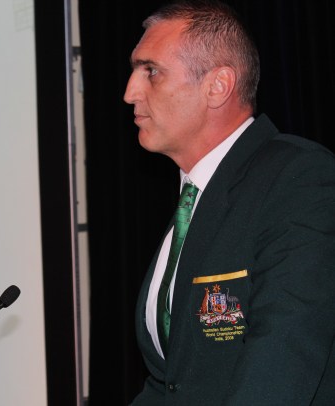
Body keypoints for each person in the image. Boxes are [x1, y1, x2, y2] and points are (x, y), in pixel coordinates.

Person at [123, 1, 335, 404]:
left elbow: (282, 362)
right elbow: (171, 385)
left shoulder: (299, 178)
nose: (130, 92)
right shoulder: (194, 200)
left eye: (151, 71)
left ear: (218, 86)